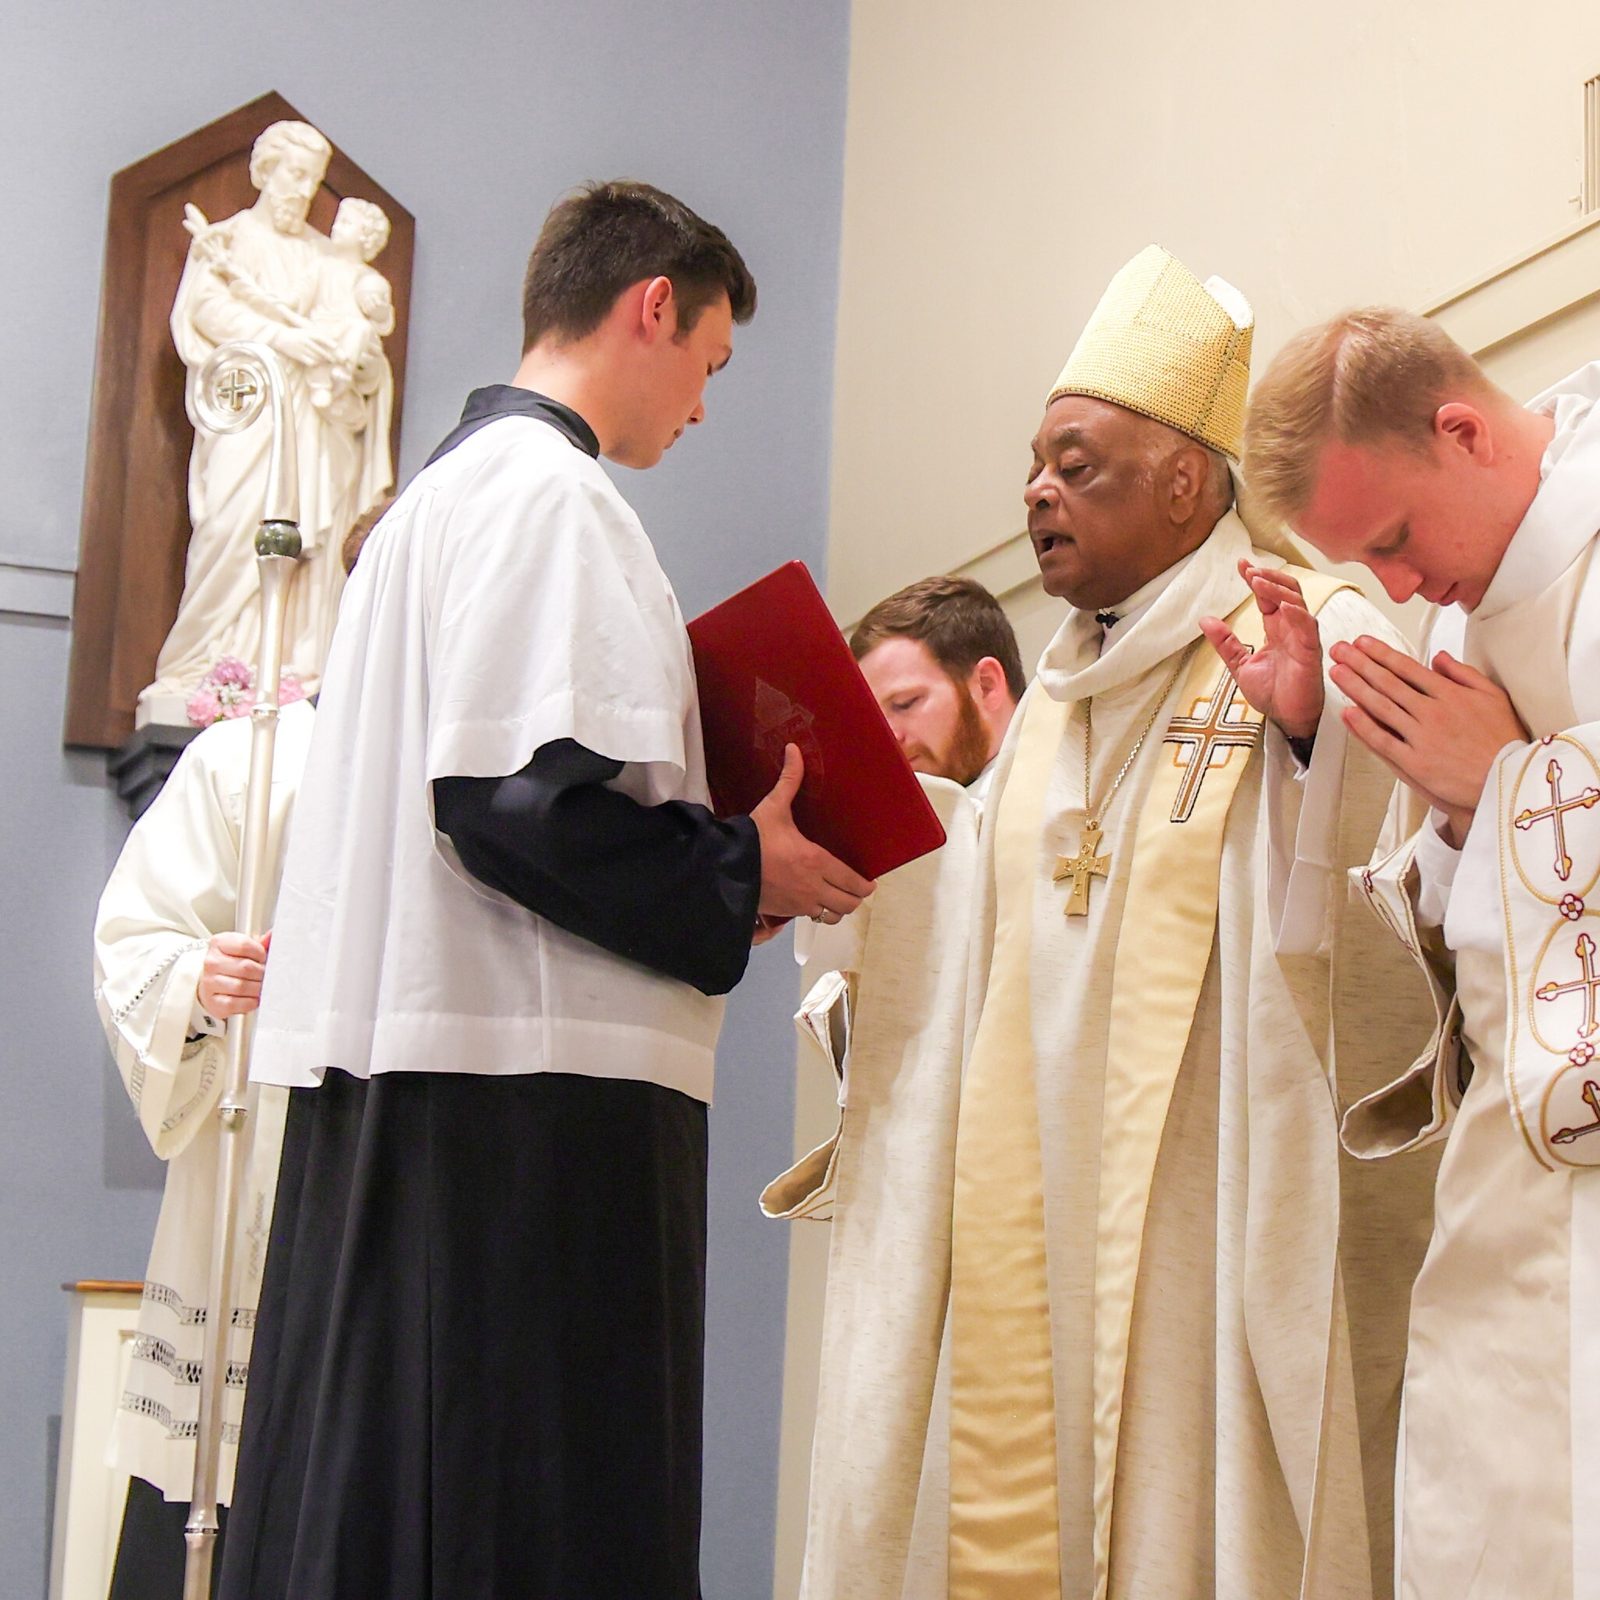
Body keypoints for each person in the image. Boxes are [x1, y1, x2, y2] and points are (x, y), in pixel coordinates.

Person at [215, 180, 874, 1600]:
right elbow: (516, 810)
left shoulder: (428, 508)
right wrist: (747, 862)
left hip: (420, 1079)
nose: (701, 409)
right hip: (526, 1107)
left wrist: (713, 871)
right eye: (710, 362)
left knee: (396, 1511)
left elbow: (503, 803)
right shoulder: (550, 496)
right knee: (529, 1523)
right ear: (655, 308)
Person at [784, 247, 1438, 1600]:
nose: (1036, 491)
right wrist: (859, 854)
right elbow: (967, 941)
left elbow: (1413, 887)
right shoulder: (1047, 725)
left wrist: (1315, 732)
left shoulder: (1304, 625)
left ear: (1190, 480)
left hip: (1214, 1233)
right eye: (1033, 465)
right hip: (1045, 1229)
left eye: (1077, 464)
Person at [1238, 308, 1600, 1600]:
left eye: (1391, 540)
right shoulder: (1454, 622)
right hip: (1521, 1155)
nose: (1394, 589)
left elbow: (1515, 803)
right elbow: (1452, 917)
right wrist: (1451, 807)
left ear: (1460, 430)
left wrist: (1502, 786)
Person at [93, 499, 386, 1598]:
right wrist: (198, 982)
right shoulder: (254, 759)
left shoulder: (494, 777)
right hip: (266, 1155)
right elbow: (137, 936)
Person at [144, 120, 393, 722]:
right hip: (253, 413)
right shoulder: (226, 243)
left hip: (315, 425)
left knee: (308, 541)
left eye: (312, 181)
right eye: (293, 175)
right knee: (232, 527)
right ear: (264, 171)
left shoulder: (324, 256)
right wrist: (285, 339)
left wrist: (350, 358)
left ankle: (291, 664)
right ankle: (203, 662)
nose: (302, 191)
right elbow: (209, 311)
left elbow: (357, 339)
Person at [849, 575, 1025, 797]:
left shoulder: (1070, 789)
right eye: (876, 719)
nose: (889, 737)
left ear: (986, 685)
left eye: (905, 704)